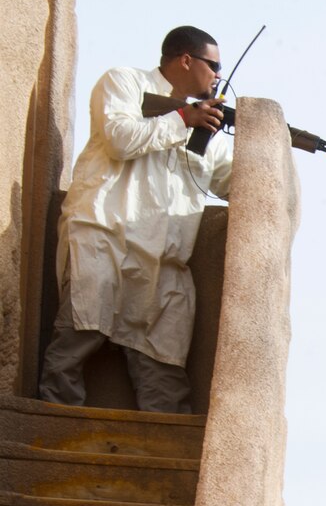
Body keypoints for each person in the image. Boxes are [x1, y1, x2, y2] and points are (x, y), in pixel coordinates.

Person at [40, 25, 233, 413]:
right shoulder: (124, 82)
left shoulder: (206, 127)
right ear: (185, 60)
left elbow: (233, 182)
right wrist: (183, 119)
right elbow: (120, 139)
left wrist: (270, 144)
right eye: (214, 66)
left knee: (163, 372)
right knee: (75, 342)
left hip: (163, 265)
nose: (217, 76)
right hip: (103, 235)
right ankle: (57, 435)